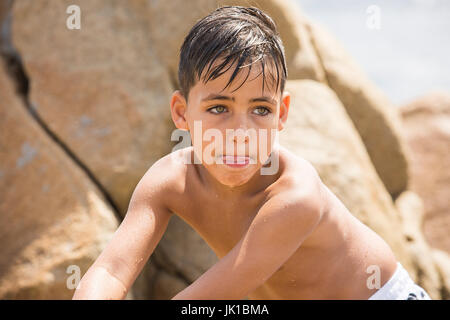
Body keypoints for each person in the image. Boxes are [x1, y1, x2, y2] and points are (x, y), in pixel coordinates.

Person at [72, 6, 431, 300]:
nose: (240, 133)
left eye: (260, 109)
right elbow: (110, 270)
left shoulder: (295, 196)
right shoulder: (169, 180)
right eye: (218, 109)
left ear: (282, 114)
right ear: (182, 113)